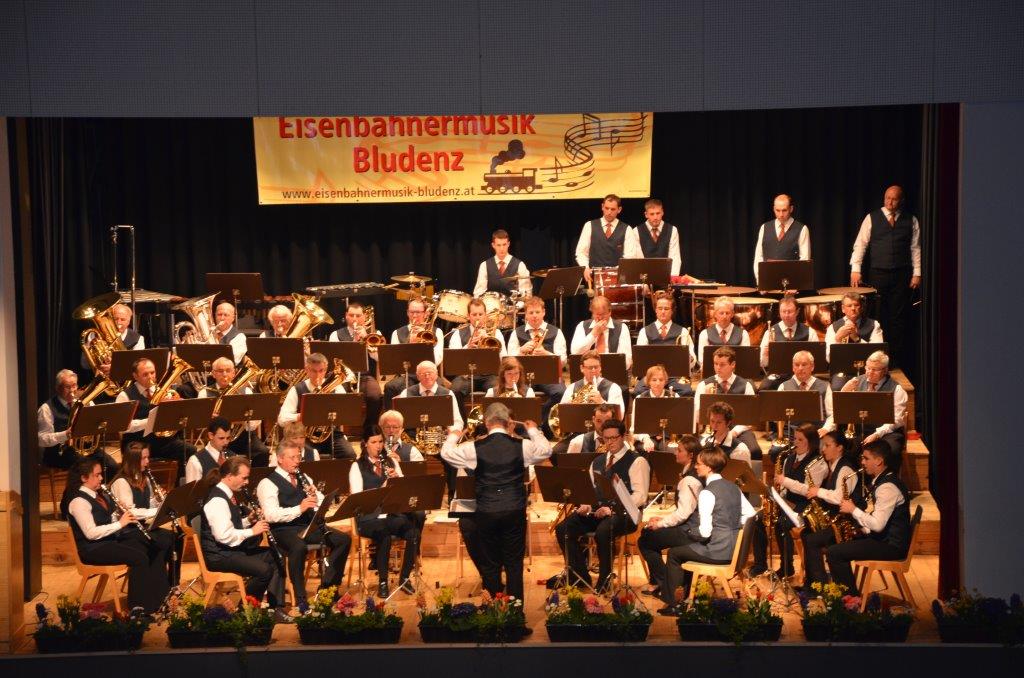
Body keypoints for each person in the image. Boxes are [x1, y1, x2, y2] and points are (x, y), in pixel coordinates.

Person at [443, 403, 551, 599]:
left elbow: (446, 453)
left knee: (490, 564)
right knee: (514, 564)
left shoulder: (473, 447)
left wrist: (454, 436)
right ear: (508, 422)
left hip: (487, 510)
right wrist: (533, 430)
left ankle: (494, 611)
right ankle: (515, 613)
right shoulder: (523, 445)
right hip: (514, 509)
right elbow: (546, 451)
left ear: (486, 423)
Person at [63, 457, 170, 613]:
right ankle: (139, 608)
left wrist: (119, 514)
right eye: (97, 475)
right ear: (84, 478)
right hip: (93, 549)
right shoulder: (78, 501)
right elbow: (91, 533)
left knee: (153, 546)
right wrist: (120, 523)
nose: (101, 478)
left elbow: (105, 519)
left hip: (109, 541)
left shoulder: (97, 495)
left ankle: (160, 599)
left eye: (101, 474)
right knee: (139, 558)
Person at [555, 418, 650, 593]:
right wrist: (586, 505)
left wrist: (612, 509)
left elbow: (640, 496)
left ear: (623, 436)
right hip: (599, 512)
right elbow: (592, 491)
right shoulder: (597, 462)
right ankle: (579, 576)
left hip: (625, 514)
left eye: (614, 438)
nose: (610, 442)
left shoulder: (637, 461)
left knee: (604, 531)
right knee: (564, 529)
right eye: (607, 438)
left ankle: (605, 581)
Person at [658, 446, 756, 612]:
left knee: (674, 553)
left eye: (698, 464)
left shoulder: (707, 493)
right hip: (736, 551)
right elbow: (751, 514)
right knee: (685, 550)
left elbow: (705, 532)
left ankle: (675, 604)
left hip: (719, 551)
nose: (695, 467)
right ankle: (685, 596)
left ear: (709, 467)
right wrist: (731, 526)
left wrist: (690, 532)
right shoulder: (733, 487)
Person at [257, 440, 350, 609]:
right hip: (282, 530)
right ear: (280, 459)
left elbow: (319, 501)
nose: (297, 461)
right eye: (292, 458)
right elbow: (270, 515)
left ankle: (328, 587)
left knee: (343, 540)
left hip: (307, 526)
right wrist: (299, 508)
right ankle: (301, 597)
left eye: (298, 457)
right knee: (298, 547)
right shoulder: (267, 483)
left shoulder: (304, 477)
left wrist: (316, 497)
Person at [199, 456, 290, 620]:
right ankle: (245, 611)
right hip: (220, 555)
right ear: (229, 476)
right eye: (244, 478)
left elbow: (230, 524)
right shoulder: (217, 500)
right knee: (264, 570)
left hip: (231, 550)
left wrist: (248, 520)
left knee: (277, 556)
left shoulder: (228, 495)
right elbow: (224, 536)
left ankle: (276, 608)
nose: (247, 482)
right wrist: (252, 531)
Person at [825, 439, 911, 595]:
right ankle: (847, 596)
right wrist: (862, 529)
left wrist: (853, 510)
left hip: (891, 546)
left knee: (834, 553)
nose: (862, 462)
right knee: (837, 546)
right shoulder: (882, 481)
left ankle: (850, 600)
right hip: (884, 540)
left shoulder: (887, 487)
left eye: (866, 458)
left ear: (879, 461)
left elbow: (878, 525)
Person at [849, 185, 921, 368]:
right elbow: (860, 244)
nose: (890, 202)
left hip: (901, 274)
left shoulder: (911, 220)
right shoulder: (872, 217)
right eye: (887, 198)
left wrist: (917, 273)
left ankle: (895, 359)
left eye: (894, 199)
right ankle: (875, 357)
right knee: (877, 314)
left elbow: (915, 248)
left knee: (898, 318)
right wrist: (855, 269)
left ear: (901, 201)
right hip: (878, 273)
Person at [349, 426, 426, 596]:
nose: (378, 446)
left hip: (391, 515)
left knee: (414, 534)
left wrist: (397, 482)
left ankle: (404, 578)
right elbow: (359, 500)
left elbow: (404, 492)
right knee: (383, 534)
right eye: (374, 442)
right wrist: (383, 488)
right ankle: (383, 581)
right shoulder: (357, 466)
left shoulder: (392, 462)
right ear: (365, 444)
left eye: (380, 442)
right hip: (368, 518)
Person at [750, 424, 826, 578]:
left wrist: (785, 481)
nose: (795, 442)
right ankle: (760, 565)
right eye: (794, 438)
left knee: (782, 523)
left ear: (811, 443)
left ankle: (787, 567)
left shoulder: (818, 463)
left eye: (800, 440)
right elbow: (785, 488)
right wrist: (778, 496)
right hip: (788, 503)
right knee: (757, 519)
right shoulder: (789, 459)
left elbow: (809, 490)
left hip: (806, 507)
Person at [637, 434, 702, 597]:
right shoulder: (693, 474)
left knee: (645, 540)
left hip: (690, 532)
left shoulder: (689, 480)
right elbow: (686, 509)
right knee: (648, 534)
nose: (675, 453)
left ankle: (664, 583)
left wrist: (660, 524)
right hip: (691, 527)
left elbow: (684, 513)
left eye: (679, 450)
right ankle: (661, 582)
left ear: (691, 455)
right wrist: (662, 519)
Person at [801, 431, 859, 589]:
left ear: (839, 447)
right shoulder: (834, 466)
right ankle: (812, 583)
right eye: (823, 445)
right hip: (835, 521)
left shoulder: (846, 469)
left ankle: (819, 585)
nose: (823, 449)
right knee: (806, 533)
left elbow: (840, 497)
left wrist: (818, 491)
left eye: (827, 445)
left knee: (812, 540)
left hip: (847, 526)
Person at [397, 361, 464, 495]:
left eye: (430, 373)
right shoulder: (406, 393)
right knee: (404, 455)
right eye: (423, 374)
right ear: (417, 376)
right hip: (414, 439)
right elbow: (400, 420)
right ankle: (410, 493)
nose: (427, 376)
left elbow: (457, 421)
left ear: (436, 374)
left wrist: (451, 437)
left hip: (439, 439)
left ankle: (452, 494)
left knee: (453, 458)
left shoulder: (448, 394)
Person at [38, 368, 118, 476]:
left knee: (112, 466)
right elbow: (41, 439)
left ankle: (100, 486)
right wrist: (65, 434)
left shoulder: (83, 402)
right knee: (88, 468)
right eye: (67, 387)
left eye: (74, 385)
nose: (72, 390)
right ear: (58, 388)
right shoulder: (46, 408)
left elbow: (96, 423)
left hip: (86, 448)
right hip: (59, 453)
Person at [115, 357, 195, 465]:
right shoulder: (124, 396)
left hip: (161, 441)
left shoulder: (163, 391)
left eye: (152, 373)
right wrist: (150, 421)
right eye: (145, 374)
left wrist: (176, 408)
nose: (150, 377)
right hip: (137, 443)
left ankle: (179, 476)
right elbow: (123, 426)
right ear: (135, 376)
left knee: (189, 450)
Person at [277, 352, 356, 460]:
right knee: (306, 457)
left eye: (321, 371)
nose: (318, 375)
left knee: (350, 455)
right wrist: (301, 416)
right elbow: (281, 419)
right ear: (307, 370)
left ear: (326, 369)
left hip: (332, 435)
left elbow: (346, 412)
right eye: (314, 371)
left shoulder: (337, 388)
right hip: (306, 437)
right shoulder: (297, 389)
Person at [506, 296, 567, 431]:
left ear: (543, 312)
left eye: (537, 312)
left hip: (548, 376)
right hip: (523, 376)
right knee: (516, 394)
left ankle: (539, 423)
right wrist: (521, 351)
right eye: (531, 312)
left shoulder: (556, 332)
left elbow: (563, 360)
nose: (534, 316)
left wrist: (546, 353)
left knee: (561, 392)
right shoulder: (516, 333)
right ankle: (521, 429)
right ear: (526, 315)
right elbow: (508, 361)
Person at [198, 357, 269, 465]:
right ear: (213, 374)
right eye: (220, 371)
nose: (224, 374)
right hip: (217, 439)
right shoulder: (205, 393)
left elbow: (255, 422)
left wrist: (243, 419)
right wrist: (210, 419)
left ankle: (254, 476)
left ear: (234, 373)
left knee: (262, 452)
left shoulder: (246, 391)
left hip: (242, 437)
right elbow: (199, 424)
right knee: (225, 458)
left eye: (228, 370)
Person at [765, 350, 835, 459]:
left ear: (812, 366)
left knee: (824, 450)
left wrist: (826, 429)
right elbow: (778, 415)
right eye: (797, 365)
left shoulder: (825, 386)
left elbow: (832, 414)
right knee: (776, 452)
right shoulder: (783, 386)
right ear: (793, 367)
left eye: (804, 364)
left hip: (815, 433)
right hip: (791, 433)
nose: (800, 368)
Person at [328, 301, 384, 435]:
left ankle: (369, 429)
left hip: (365, 376)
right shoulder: (336, 335)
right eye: (351, 315)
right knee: (334, 395)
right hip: (343, 377)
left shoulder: (375, 333)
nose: (354, 319)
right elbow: (333, 360)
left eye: (358, 316)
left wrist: (366, 339)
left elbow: (379, 358)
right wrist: (353, 343)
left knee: (375, 396)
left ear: (364, 317)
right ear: (346, 316)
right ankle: (337, 431)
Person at [693, 347, 759, 459]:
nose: (718, 368)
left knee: (754, 450)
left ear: (733, 364)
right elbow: (697, 416)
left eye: (722, 364)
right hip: (713, 429)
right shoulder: (704, 385)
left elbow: (751, 417)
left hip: (739, 430)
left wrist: (735, 432)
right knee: (700, 450)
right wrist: (707, 399)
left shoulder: (746, 385)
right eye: (715, 364)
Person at [839, 350, 907, 453]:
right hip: (861, 431)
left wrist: (877, 434)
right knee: (844, 448)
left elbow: (897, 420)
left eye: (875, 370)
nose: (870, 372)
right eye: (868, 368)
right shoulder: (855, 382)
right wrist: (844, 391)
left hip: (887, 433)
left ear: (885, 370)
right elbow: (841, 408)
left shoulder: (896, 389)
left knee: (886, 450)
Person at [383, 298, 444, 408]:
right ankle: (393, 418)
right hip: (406, 375)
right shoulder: (397, 333)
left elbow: (437, 359)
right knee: (390, 387)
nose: (414, 316)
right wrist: (410, 344)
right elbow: (395, 361)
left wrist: (423, 344)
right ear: (407, 313)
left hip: (429, 374)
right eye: (412, 312)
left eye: (418, 312)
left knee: (439, 387)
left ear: (425, 314)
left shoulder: (437, 332)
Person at [449, 298, 506, 413]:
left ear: (485, 315)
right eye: (474, 314)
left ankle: (493, 421)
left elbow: (504, 358)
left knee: (499, 390)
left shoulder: (496, 333)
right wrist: (468, 347)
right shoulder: (458, 333)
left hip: (490, 375)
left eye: (481, 314)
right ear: (468, 316)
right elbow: (453, 361)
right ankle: (463, 422)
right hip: (466, 376)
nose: (478, 317)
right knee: (455, 390)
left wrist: (489, 340)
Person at [633, 293, 695, 397]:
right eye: (660, 308)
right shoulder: (644, 331)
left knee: (686, 391)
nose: (663, 312)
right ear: (655, 310)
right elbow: (639, 360)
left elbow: (693, 362)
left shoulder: (683, 331)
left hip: (674, 377)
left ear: (672, 311)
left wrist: (689, 359)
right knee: (638, 391)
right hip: (652, 377)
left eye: (666, 309)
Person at [758, 294, 818, 391]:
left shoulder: (810, 332)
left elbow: (816, 358)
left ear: (797, 312)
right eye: (783, 311)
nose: (786, 315)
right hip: (778, 375)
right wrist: (766, 354)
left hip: (802, 374)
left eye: (790, 311)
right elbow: (762, 363)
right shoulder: (769, 332)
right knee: (764, 388)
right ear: (779, 312)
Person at [825, 291, 884, 389]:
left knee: (873, 386)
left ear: (861, 307)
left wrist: (857, 339)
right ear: (843, 309)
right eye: (849, 306)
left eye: (856, 305)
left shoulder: (874, 325)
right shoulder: (833, 328)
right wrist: (837, 340)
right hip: (843, 371)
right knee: (837, 388)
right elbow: (828, 359)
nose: (853, 308)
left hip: (868, 370)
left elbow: (879, 354)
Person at [752, 194, 811, 284]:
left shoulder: (802, 229)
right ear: (773, 209)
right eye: (778, 210)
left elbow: (804, 260)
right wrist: (760, 280)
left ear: (791, 209)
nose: (781, 214)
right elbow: (758, 257)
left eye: (784, 210)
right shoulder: (764, 228)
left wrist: (797, 284)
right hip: (768, 284)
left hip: (791, 285)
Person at [575, 194, 630, 285]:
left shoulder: (627, 229)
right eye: (607, 208)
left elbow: (629, 257)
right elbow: (581, 252)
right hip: (594, 279)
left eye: (613, 209)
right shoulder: (589, 226)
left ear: (619, 209)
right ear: (602, 207)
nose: (609, 212)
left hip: (617, 280)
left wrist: (615, 272)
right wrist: (585, 268)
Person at [571, 295, 633, 370]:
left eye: (603, 315)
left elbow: (627, 360)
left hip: (613, 370)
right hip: (588, 371)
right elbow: (575, 352)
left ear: (610, 312)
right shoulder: (582, 326)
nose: (600, 318)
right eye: (597, 315)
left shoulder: (622, 328)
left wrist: (607, 367)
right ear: (592, 313)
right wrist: (593, 334)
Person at [623, 199, 682, 276]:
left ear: (662, 212)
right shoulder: (636, 231)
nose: (655, 217)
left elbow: (675, 256)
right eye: (652, 214)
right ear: (646, 214)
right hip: (644, 276)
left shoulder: (672, 230)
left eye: (658, 213)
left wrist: (672, 278)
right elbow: (638, 259)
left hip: (666, 275)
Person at [561, 350, 626, 419]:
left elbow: (620, 416)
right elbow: (562, 414)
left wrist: (602, 402)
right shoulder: (572, 388)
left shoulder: (613, 388)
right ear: (582, 368)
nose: (593, 370)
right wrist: (570, 406)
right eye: (590, 368)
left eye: (596, 367)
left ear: (600, 367)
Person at [630, 365, 680, 453]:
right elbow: (634, 428)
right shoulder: (639, 399)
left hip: (668, 437)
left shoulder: (675, 396)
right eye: (654, 380)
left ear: (665, 381)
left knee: (671, 451)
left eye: (661, 380)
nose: (658, 383)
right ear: (648, 381)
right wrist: (645, 439)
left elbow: (680, 422)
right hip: (647, 437)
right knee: (647, 450)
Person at [473, 228, 532, 297]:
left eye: (504, 244)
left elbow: (526, 293)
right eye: (498, 245)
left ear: (508, 244)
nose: (502, 248)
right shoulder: (484, 265)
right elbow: (479, 293)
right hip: (492, 303)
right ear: (493, 245)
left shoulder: (520, 265)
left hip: (513, 303)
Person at [695, 297, 750, 366]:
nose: (724, 316)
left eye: (727, 313)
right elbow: (702, 361)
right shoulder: (704, 334)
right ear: (715, 314)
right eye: (721, 313)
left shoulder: (743, 334)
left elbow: (746, 360)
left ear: (732, 314)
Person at [185, 416, 233, 484]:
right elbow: (193, 490)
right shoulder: (195, 461)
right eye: (221, 438)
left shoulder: (232, 456)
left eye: (228, 438)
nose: (226, 442)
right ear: (211, 435)